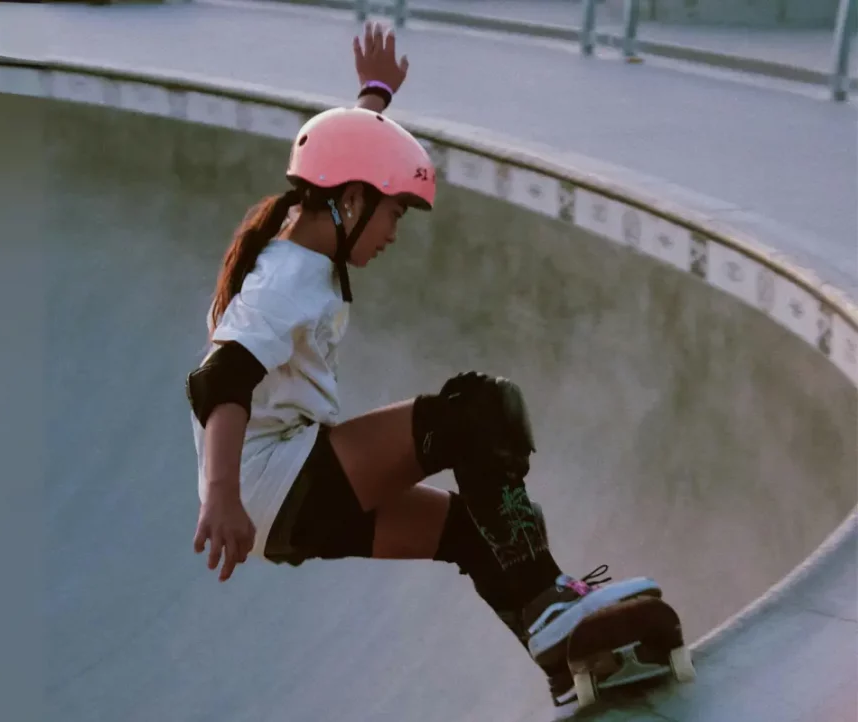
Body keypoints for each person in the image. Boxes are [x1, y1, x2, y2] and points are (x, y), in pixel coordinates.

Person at [186, 22, 661, 707]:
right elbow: (219, 378)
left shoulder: (306, 222)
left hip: (280, 503)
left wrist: (373, 98)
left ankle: (572, 661)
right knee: (473, 413)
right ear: (351, 203)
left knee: (471, 532)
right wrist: (221, 495)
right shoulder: (288, 275)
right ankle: (555, 603)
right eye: (394, 216)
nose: (394, 235)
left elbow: (340, 159)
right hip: (272, 483)